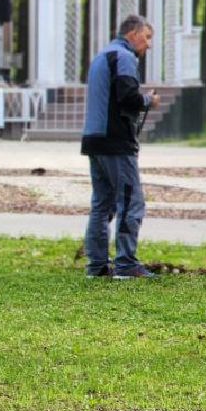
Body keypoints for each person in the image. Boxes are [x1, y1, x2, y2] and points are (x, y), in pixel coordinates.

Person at [82, 15, 158, 279]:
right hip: (115, 141)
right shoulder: (124, 57)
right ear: (133, 34)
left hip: (94, 139)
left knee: (101, 205)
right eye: (147, 37)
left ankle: (97, 266)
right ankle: (126, 265)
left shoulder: (102, 55)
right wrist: (148, 99)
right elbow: (128, 97)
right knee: (131, 202)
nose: (148, 45)